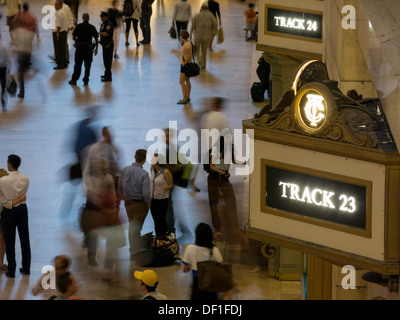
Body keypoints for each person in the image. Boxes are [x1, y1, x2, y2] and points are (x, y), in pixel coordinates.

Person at [0, 155, 30, 278]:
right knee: (25, 239)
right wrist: (20, 199)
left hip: (8, 211)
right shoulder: (25, 178)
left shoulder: (2, 181)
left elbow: (4, 200)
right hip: (22, 209)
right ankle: (26, 267)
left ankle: (11, 270)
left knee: (10, 241)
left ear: (9, 164)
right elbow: (24, 193)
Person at [118, 149, 151, 258]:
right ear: (145, 159)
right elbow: (146, 192)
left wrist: (122, 197)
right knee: (136, 228)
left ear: (134, 156)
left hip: (128, 203)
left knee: (132, 226)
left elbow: (120, 186)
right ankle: (134, 252)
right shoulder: (144, 174)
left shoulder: (124, 170)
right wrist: (148, 204)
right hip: (140, 204)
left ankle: (133, 250)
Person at [181, 222, 223, 300]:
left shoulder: (190, 248)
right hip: (211, 291)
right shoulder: (214, 250)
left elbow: (185, 269)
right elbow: (218, 266)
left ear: (197, 236)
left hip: (197, 290)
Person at [11, 2, 38, 99]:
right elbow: (35, 25)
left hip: (20, 39)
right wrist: (37, 34)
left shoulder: (19, 16)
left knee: (20, 71)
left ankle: (21, 91)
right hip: (29, 37)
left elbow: (13, 22)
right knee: (28, 49)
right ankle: (28, 62)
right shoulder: (32, 16)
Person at [68, 13, 99, 86]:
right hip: (89, 50)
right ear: (88, 18)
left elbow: (73, 37)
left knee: (77, 65)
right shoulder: (92, 27)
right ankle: (86, 80)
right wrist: (96, 49)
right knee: (87, 66)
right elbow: (97, 39)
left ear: (82, 18)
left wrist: (77, 42)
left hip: (80, 49)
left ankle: (74, 80)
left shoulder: (78, 26)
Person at [149, 154, 173, 236]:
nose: (151, 161)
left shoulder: (165, 171)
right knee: (155, 220)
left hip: (162, 199)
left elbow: (171, 185)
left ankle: (163, 237)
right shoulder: (152, 169)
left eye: (152, 159)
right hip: (152, 198)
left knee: (161, 220)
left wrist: (163, 188)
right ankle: (158, 238)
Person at [190, 2, 217, 69]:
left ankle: (199, 60)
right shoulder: (210, 15)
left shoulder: (196, 15)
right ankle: (203, 64)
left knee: (197, 50)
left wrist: (190, 33)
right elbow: (215, 24)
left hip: (198, 36)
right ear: (207, 8)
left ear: (201, 8)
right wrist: (213, 32)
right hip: (207, 36)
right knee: (204, 51)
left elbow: (192, 25)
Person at [52, 0, 69, 70]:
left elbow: (58, 25)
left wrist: (57, 33)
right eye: (55, 4)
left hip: (60, 33)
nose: (55, 6)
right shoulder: (63, 12)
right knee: (63, 48)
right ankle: (64, 62)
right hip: (64, 32)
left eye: (57, 5)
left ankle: (60, 64)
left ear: (61, 5)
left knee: (58, 49)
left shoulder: (59, 13)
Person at [99, 11, 114, 82]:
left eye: (102, 17)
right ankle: (106, 74)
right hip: (104, 43)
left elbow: (107, 34)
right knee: (105, 60)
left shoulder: (109, 24)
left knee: (108, 60)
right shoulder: (104, 23)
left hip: (108, 44)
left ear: (106, 17)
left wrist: (98, 33)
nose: (101, 18)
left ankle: (108, 77)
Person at [178, 30, 192, 105]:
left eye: (180, 35)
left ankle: (184, 98)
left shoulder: (187, 45)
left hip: (185, 65)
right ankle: (187, 97)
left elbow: (189, 56)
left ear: (182, 36)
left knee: (181, 81)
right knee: (187, 81)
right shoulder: (186, 43)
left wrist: (184, 63)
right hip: (186, 64)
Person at [0, 33, 12, 112]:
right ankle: (3, 100)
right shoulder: (4, 47)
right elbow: (8, 60)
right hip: (2, 69)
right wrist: (9, 71)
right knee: (3, 85)